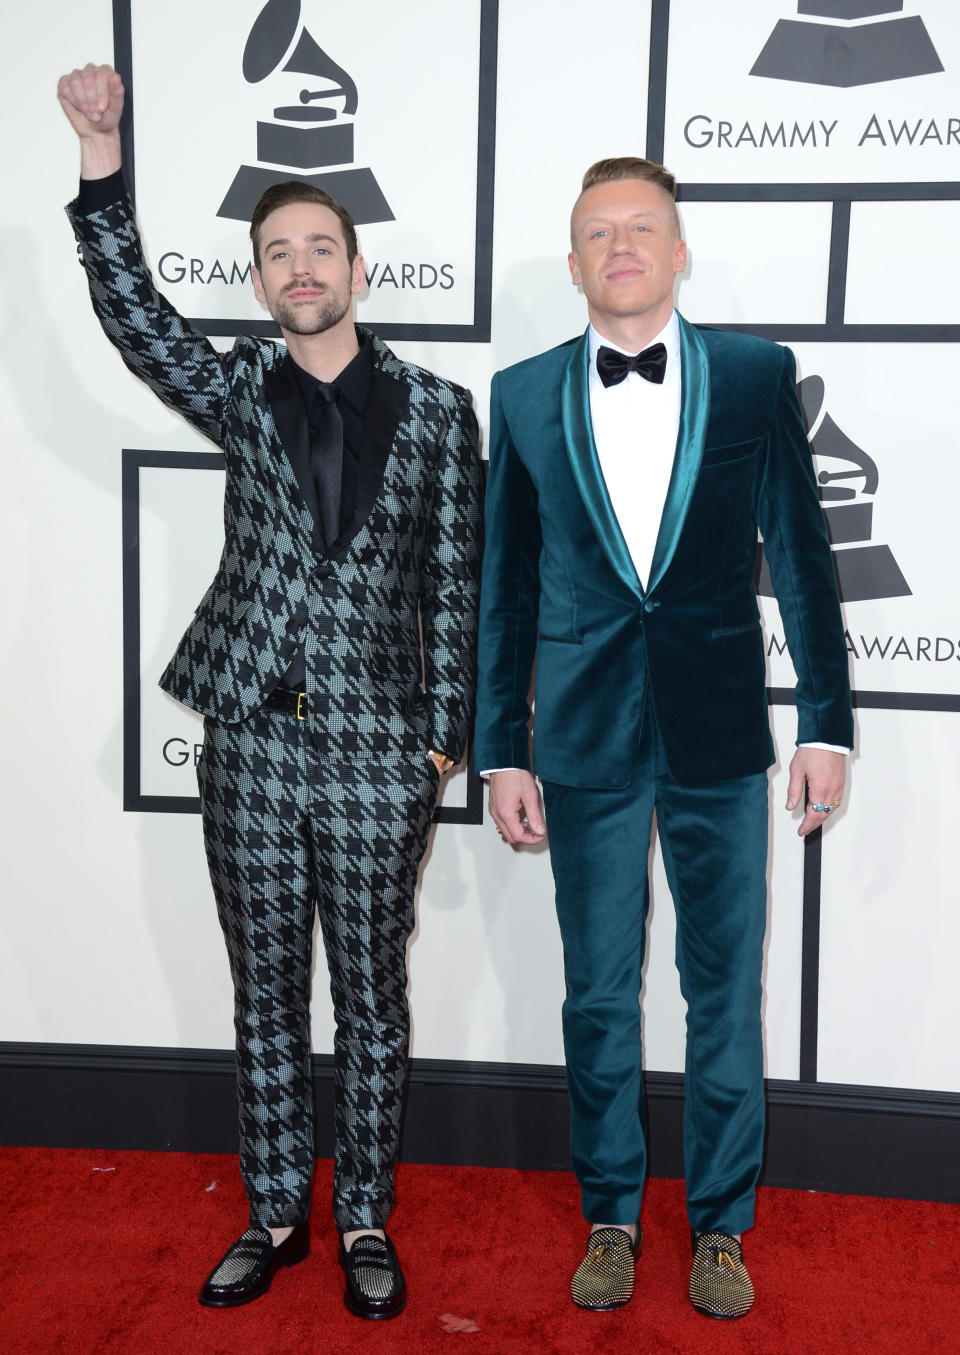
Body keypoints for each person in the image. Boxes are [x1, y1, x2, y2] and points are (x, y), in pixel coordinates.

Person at [59, 63, 482, 1320]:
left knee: (370, 993)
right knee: (262, 991)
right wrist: (101, 158)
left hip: (378, 755)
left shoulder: (440, 414)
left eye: (320, 249)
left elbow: (456, 581)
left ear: (360, 270)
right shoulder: (237, 391)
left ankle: (363, 1215)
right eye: (278, 252)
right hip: (248, 739)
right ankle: (274, 1209)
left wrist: (443, 744)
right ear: (259, 280)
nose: (301, 269)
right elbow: (134, 321)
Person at [474, 156, 852, 1320]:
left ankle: (723, 1225)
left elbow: (799, 554)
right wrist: (501, 746)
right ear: (576, 258)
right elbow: (507, 586)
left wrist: (826, 724)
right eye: (599, 231)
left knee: (722, 988)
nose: (622, 245)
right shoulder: (525, 391)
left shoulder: (751, 375)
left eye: (644, 227)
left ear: (680, 251)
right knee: (596, 991)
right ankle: (612, 1212)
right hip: (581, 738)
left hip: (723, 733)